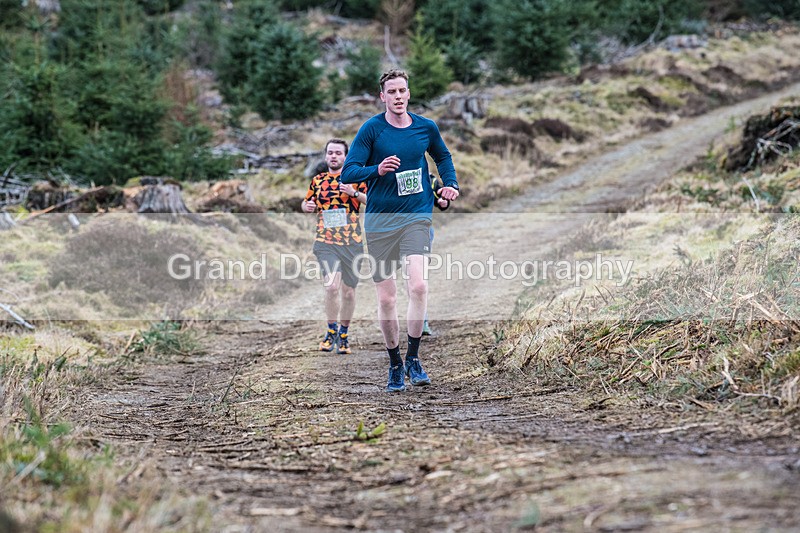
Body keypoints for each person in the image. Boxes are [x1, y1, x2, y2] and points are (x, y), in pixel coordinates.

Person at [341, 69, 460, 392]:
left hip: (415, 217)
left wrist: (450, 184)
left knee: (418, 286)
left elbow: (442, 156)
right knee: (387, 298)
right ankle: (394, 363)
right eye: (391, 91)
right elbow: (348, 173)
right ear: (382, 97)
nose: (397, 96)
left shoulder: (425, 127)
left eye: (402, 91)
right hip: (380, 223)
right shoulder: (372, 130)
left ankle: (413, 359)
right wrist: (377, 170)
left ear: (408, 93)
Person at [302, 139, 368, 355]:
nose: (333, 156)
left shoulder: (356, 179)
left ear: (346, 157)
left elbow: (372, 201)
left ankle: (344, 333)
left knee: (348, 293)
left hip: (352, 244)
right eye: (330, 152)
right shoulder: (318, 180)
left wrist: (353, 192)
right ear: (325, 156)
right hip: (326, 242)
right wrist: (306, 206)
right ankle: (331, 331)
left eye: (338, 153)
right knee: (331, 287)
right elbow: (306, 202)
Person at [422, 175, 451, 336]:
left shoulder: (430, 178)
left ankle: (422, 320)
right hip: (392, 230)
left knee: (417, 276)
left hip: (422, 230)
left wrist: (443, 202)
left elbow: (440, 199)